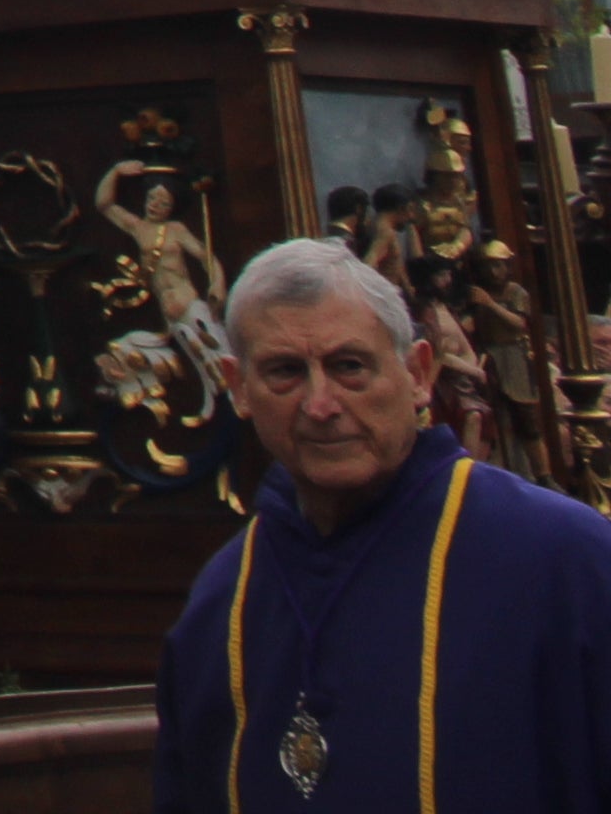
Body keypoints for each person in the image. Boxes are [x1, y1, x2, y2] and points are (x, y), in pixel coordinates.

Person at [154, 235, 611, 807]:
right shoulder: (221, 601)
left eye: (350, 367)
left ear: (419, 373)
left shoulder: (567, 560)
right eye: (285, 373)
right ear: (238, 389)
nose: (320, 404)